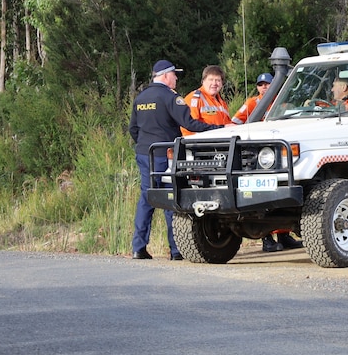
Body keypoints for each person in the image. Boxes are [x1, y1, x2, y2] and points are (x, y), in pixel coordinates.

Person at [129, 60, 227, 260]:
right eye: (174, 75)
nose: (176, 78)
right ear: (166, 75)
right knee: (170, 198)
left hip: (144, 153)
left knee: (147, 198)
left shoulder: (141, 97)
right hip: (165, 154)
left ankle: (138, 248)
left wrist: (144, 144)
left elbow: (133, 128)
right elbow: (189, 123)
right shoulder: (170, 97)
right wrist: (217, 129)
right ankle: (176, 250)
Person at [232, 72, 303, 253]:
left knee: (282, 196)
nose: (264, 87)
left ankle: (284, 236)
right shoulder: (252, 103)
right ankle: (266, 239)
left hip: (277, 153)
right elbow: (234, 122)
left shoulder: (284, 104)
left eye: (267, 84)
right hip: (257, 155)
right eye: (261, 84)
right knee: (260, 197)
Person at [181, 65, 232, 135]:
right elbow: (190, 126)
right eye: (211, 80)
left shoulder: (222, 102)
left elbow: (227, 125)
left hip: (220, 142)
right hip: (200, 143)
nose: (214, 83)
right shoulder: (195, 98)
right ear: (203, 81)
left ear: (222, 84)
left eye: (218, 80)